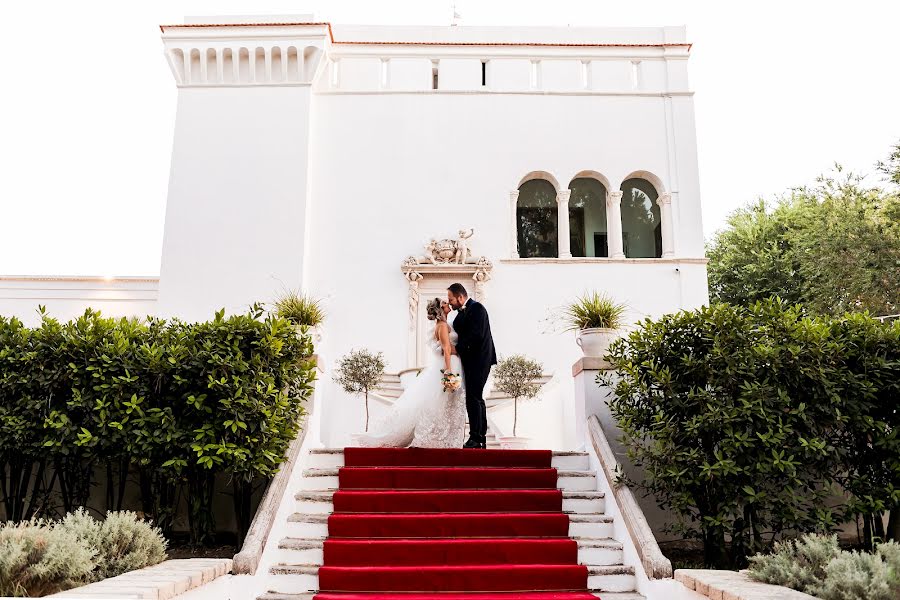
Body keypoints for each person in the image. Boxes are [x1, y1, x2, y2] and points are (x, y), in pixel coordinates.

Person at [354, 298, 466, 448]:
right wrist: (448, 371)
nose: (448, 304)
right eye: (445, 303)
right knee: (441, 402)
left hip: (450, 363)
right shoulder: (443, 326)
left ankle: (440, 436)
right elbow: (446, 349)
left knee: (441, 402)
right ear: (440, 309)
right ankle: (434, 437)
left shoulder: (441, 325)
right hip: (449, 365)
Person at [447, 282, 497, 449]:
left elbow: (476, 336)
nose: (450, 302)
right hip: (470, 360)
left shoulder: (477, 309)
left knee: (473, 397)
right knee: (476, 397)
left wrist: (457, 349)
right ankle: (479, 437)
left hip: (480, 359)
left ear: (461, 297)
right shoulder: (461, 313)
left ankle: (476, 438)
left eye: (451, 299)